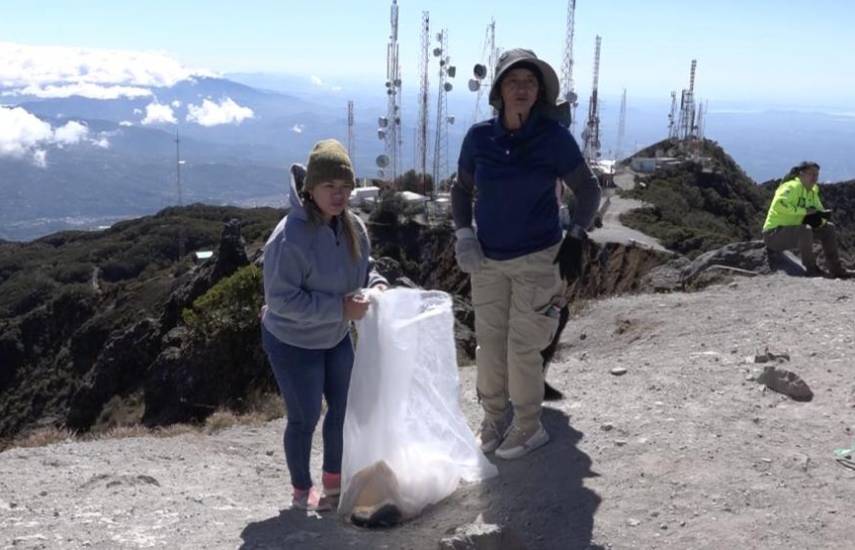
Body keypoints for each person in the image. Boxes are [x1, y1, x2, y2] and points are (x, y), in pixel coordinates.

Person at [451, 49, 601, 460]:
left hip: (539, 258)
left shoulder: (553, 138)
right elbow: (461, 189)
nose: (521, 88)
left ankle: (530, 426)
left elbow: (589, 190)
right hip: (487, 260)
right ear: (498, 89)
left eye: (529, 82)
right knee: (490, 346)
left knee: (523, 347)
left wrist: (575, 235)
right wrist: (464, 235)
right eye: (513, 81)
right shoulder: (479, 138)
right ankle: (494, 419)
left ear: (540, 93)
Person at [261, 139, 387, 511]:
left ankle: (334, 484)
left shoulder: (352, 228)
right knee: (304, 418)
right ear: (310, 188)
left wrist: (376, 282)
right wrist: (340, 308)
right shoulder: (288, 238)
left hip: (334, 337)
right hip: (292, 342)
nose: (339, 195)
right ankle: (302, 489)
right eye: (330, 187)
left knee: (344, 408)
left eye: (345, 188)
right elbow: (281, 301)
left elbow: (366, 266)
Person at [763, 161, 851, 278]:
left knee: (829, 228)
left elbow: (819, 210)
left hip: (793, 232)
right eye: (811, 174)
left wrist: (820, 219)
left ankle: (836, 269)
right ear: (801, 174)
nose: (815, 178)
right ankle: (811, 269)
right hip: (773, 234)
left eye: (816, 175)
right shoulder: (791, 187)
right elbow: (779, 204)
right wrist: (804, 212)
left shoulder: (813, 191)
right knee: (805, 229)